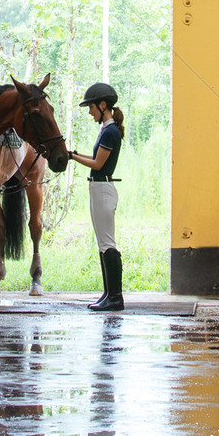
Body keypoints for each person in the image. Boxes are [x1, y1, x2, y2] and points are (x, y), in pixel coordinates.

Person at [68, 82, 125, 311]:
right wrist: (72, 153)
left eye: (91, 107)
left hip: (103, 188)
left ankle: (115, 297)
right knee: (103, 244)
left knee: (107, 243)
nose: (90, 112)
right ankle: (108, 294)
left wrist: (73, 157)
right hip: (98, 188)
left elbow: (97, 163)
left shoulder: (110, 132)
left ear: (103, 105)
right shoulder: (106, 130)